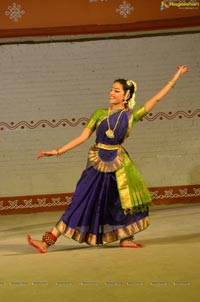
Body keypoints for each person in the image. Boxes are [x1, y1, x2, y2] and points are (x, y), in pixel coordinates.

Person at [27, 65, 190, 253]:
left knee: (121, 201)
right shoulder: (99, 114)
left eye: (116, 90)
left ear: (126, 96)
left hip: (119, 164)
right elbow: (82, 137)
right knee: (80, 200)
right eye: (111, 89)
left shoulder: (130, 116)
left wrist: (175, 77)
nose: (111, 92)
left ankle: (126, 238)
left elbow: (157, 99)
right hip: (97, 162)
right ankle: (47, 241)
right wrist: (57, 151)